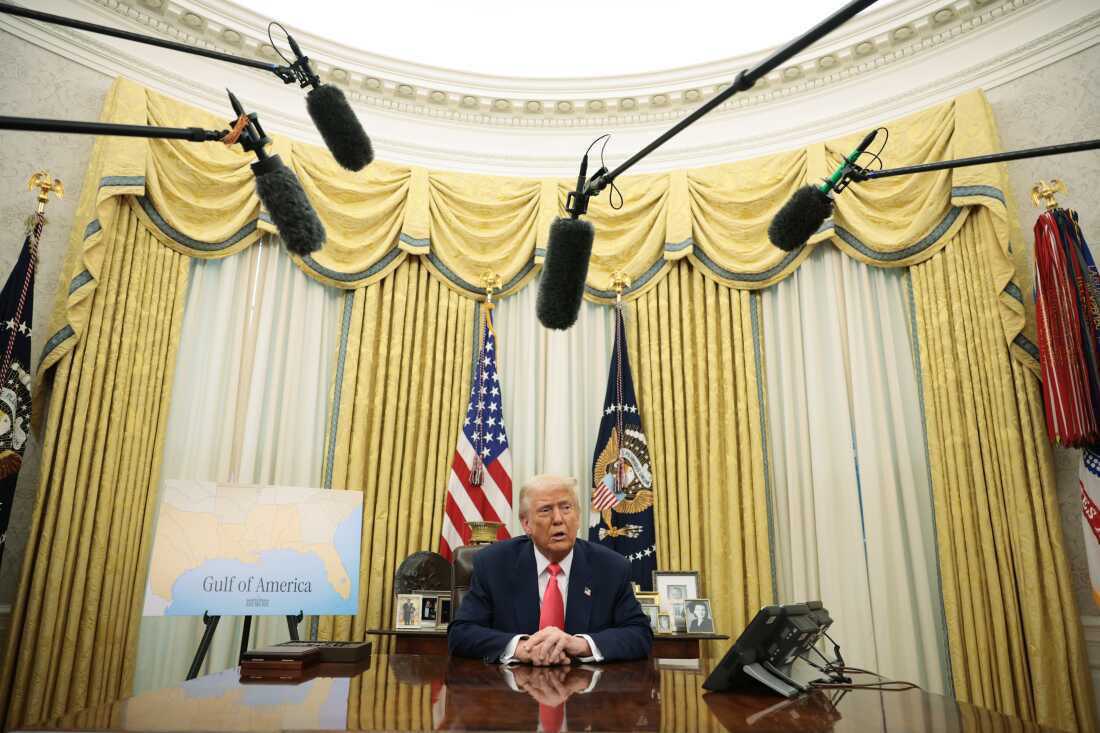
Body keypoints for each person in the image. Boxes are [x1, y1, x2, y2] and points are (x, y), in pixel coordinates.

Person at [448, 474, 652, 664]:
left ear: (578, 517)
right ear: (526, 524)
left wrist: (580, 645)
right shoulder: (493, 564)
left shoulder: (611, 567)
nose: (558, 519)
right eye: (546, 510)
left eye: (566, 508)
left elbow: (639, 633)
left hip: (587, 694)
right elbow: (461, 633)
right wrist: (521, 648)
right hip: (513, 693)